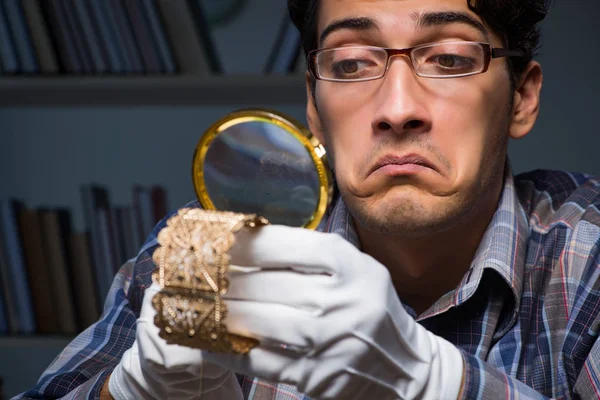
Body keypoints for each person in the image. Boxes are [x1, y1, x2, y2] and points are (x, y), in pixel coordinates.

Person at [16, 0, 600, 398]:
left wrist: (439, 383)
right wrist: (129, 390)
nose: (398, 109)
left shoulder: (588, 258)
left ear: (521, 97)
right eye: (351, 64)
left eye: (448, 58)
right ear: (315, 110)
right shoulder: (208, 256)